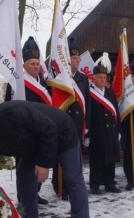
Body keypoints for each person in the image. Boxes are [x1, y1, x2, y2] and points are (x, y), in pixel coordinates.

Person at [0, 101, 89, 218]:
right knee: (24, 178)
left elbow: (49, 129)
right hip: (32, 145)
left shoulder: (11, 114)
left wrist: (43, 163)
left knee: (73, 180)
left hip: (62, 132)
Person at [5, 36, 51, 205]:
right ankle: (23, 196)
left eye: (37, 64)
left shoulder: (45, 85)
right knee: (24, 167)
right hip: (23, 132)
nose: (35, 66)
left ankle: (35, 193)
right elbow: (8, 106)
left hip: (41, 132)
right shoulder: (16, 82)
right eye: (32, 64)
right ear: (24, 65)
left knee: (39, 163)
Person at [52, 37, 91, 200]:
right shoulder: (60, 77)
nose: (76, 61)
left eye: (77, 58)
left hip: (76, 124)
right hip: (62, 123)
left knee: (73, 158)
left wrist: (86, 126)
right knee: (59, 157)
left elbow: (86, 103)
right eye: (73, 58)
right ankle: (59, 185)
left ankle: (71, 185)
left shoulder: (83, 79)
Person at [88, 65, 121, 194]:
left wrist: (118, 130)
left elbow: (116, 113)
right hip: (97, 132)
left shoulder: (110, 93)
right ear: (94, 78)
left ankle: (110, 184)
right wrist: (87, 133)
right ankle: (95, 184)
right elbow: (88, 114)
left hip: (111, 132)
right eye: (100, 77)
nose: (103, 80)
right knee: (97, 160)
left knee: (110, 159)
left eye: (104, 77)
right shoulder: (89, 93)